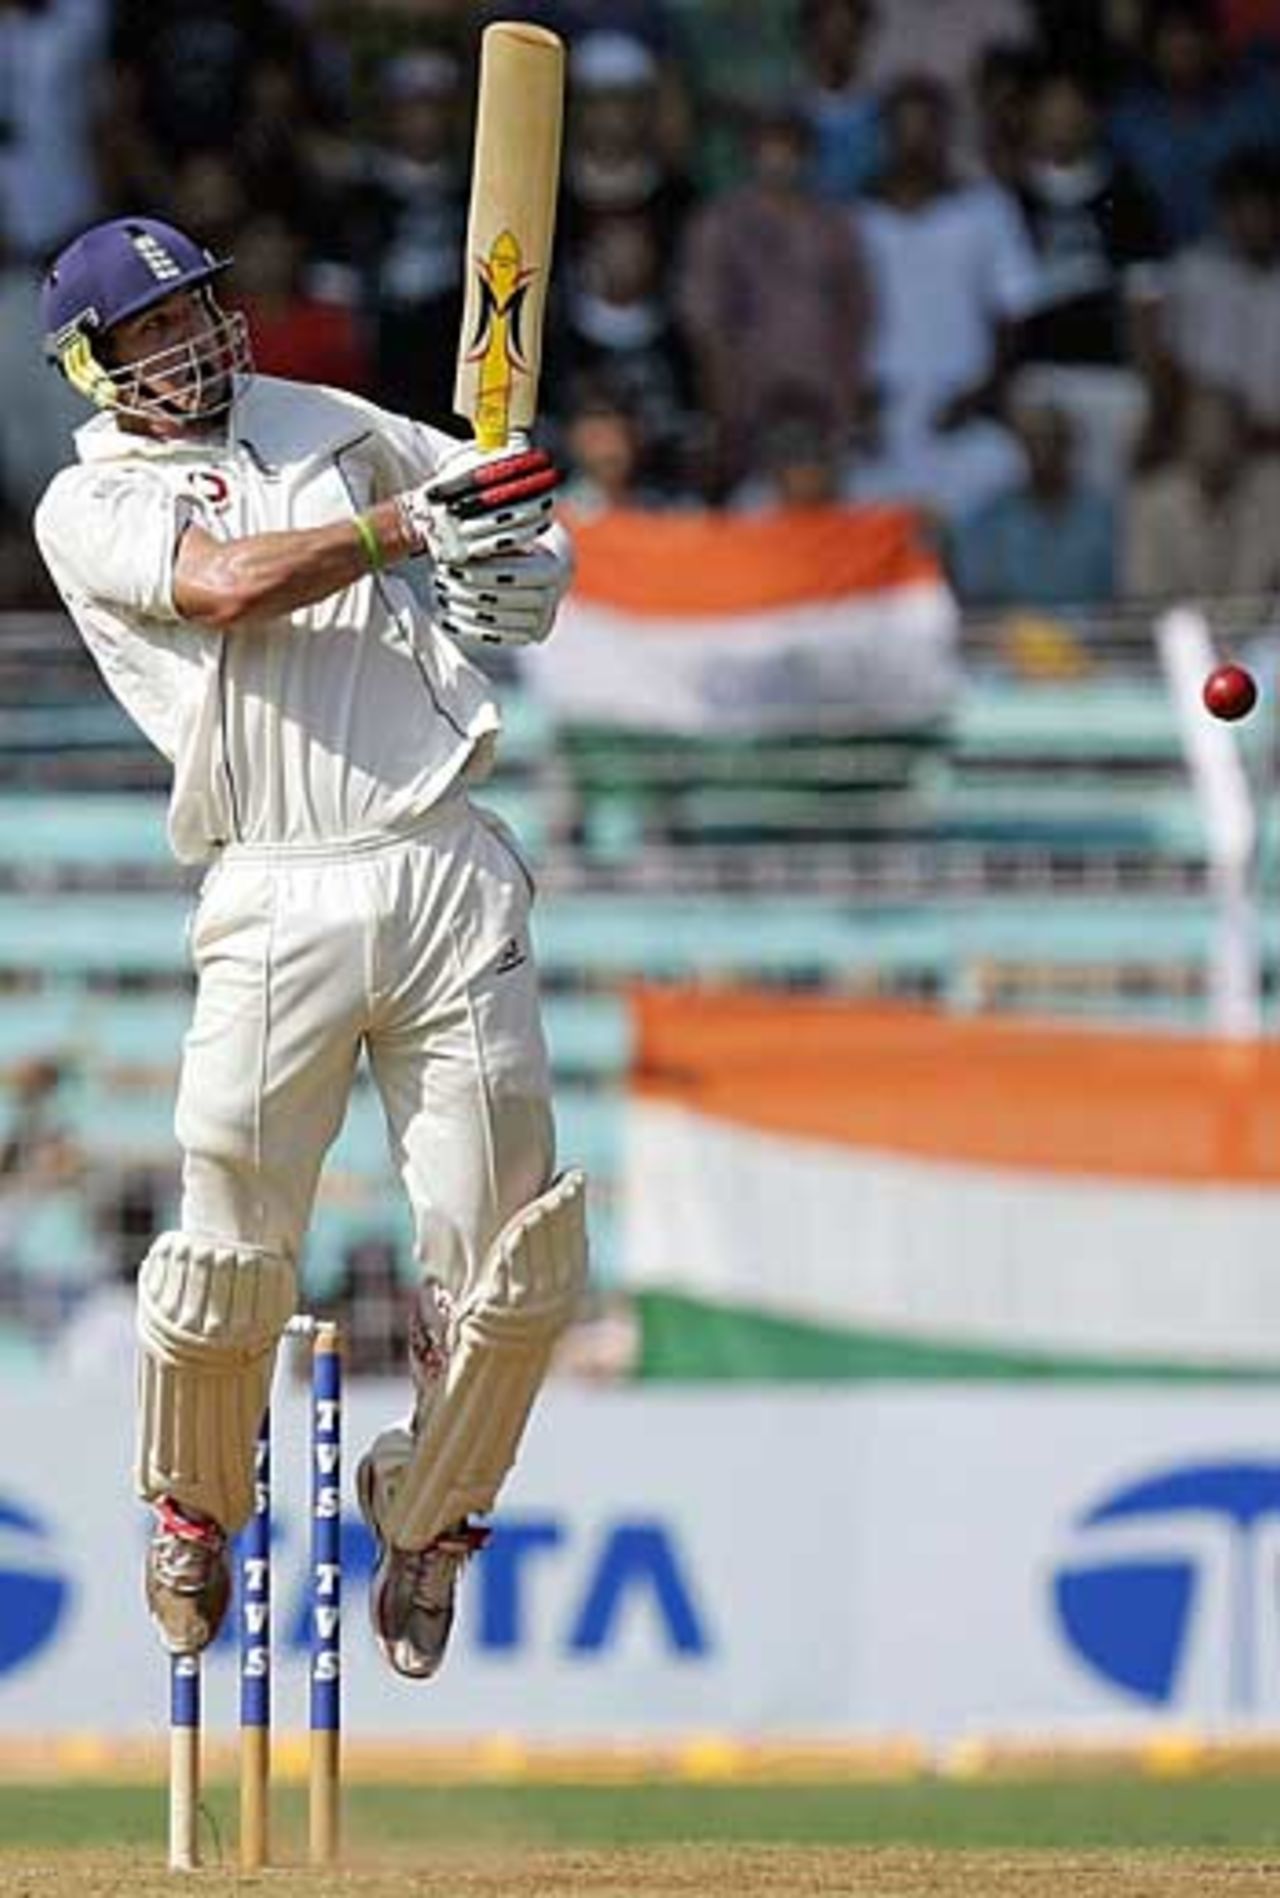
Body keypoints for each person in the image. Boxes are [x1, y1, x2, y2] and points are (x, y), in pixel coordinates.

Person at [31, 214, 588, 1682]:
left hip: (447, 853)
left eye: (205, 305)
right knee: (227, 1247)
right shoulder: (88, 504)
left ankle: (433, 1514)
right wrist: (403, 535)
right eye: (155, 330)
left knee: (511, 1256)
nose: (198, 339)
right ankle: (196, 1508)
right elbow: (222, 584)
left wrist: (526, 562)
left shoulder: (326, 419)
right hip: (277, 880)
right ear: (97, 366)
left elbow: (494, 488)